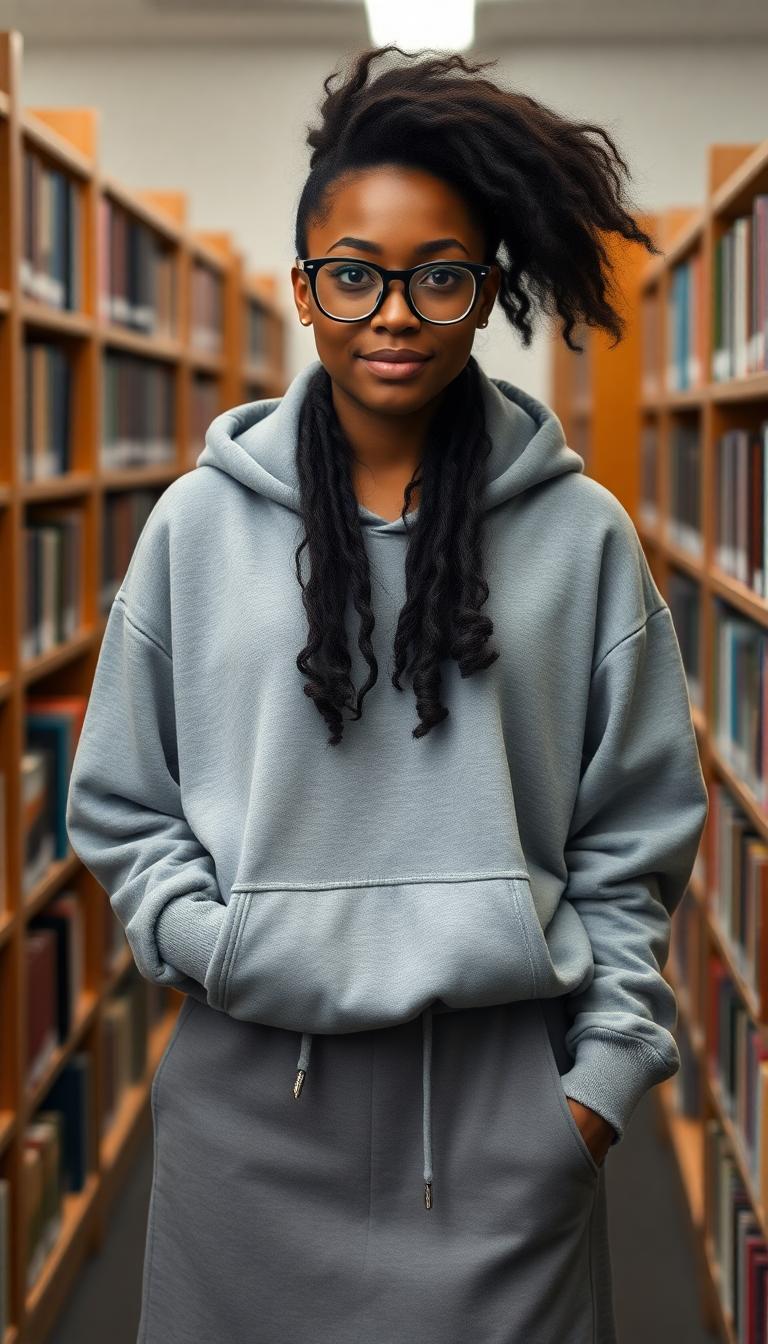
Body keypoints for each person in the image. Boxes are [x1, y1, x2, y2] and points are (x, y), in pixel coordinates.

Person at [65, 44, 709, 1344]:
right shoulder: (196, 526)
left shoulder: (582, 536)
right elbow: (125, 802)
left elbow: (636, 837)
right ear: (305, 287)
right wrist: (213, 941)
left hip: (502, 1121)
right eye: (355, 274)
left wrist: (594, 1092)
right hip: (246, 1109)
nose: (395, 313)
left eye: (440, 275)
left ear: (489, 291)